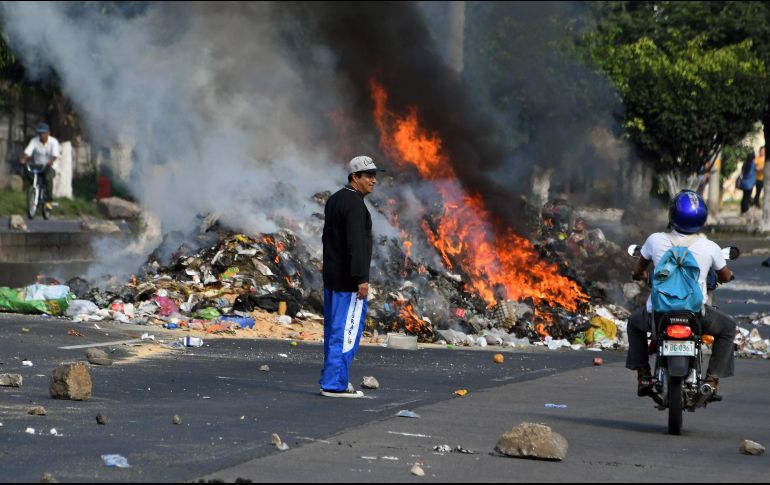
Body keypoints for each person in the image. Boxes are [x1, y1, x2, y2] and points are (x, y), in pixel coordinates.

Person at [627, 190, 736, 400]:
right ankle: (712, 380)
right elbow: (724, 275)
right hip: (696, 315)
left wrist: (639, 274)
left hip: (658, 314)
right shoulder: (710, 247)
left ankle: (643, 375)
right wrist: (727, 276)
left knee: (633, 323)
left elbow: (639, 267)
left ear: (672, 215)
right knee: (728, 327)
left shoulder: (655, 240)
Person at [319, 155, 384, 398]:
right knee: (346, 333)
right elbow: (356, 244)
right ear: (355, 177)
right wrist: (361, 279)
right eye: (368, 176)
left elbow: (327, 240)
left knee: (333, 332)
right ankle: (335, 384)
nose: (374, 180)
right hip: (348, 283)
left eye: (375, 176)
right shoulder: (355, 204)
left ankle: (331, 379)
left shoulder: (335, 199)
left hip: (333, 280)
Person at [20, 123, 60, 208]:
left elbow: (55, 155)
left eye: (44, 133)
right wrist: (23, 159)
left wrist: (51, 161)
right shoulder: (34, 141)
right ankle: (34, 193)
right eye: (40, 133)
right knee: (29, 174)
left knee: (48, 178)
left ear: (48, 133)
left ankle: (49, 200)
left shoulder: (53, 142)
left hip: (50, 166)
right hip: (37, 166)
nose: (41, 135)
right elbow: (27, 152)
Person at [739, 151, 757, 216]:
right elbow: (757, 169)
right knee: (747, 198)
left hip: (744, 183)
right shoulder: (753, 164)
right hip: (750, 184)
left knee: (744, 197)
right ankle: (745, 210)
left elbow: (742, 172)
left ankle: (742, 210)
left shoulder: (744, 164)